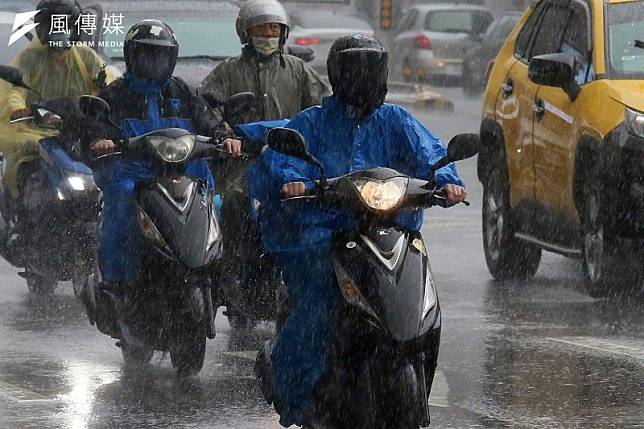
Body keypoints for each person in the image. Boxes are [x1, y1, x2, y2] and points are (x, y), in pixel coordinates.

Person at [249, 34, 467, 427]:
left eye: (371, 70)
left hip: (389, 233)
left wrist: (447, 180)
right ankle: (295, 395)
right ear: (337, 75)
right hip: (322, 236)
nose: (363, 79)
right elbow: (276, 161)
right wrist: (293, 181)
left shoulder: (396, 121)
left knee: (420, 301)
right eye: (355, 70)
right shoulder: (314, 122)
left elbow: (431, 154)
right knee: (319, 302)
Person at [88, 20, 240, 318]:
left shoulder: (180, 91)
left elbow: (206, 120)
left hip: (184, 172)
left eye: (161, 56)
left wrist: (224, 136)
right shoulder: (116, 94)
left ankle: (219, 278)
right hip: (134, 173)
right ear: (132, 56)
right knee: (122, 197)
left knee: (218, 204)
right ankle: (120, 280)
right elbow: (95, 127)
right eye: (147, 55)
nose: (154, 62)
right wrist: (101, 141)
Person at [200, 0, 329, 323]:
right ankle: (230, 273)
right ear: (246, 33)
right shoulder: (228, 71)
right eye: (261, 28)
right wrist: (223, 133)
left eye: (274, 28)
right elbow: (206, 107)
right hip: (243, 164)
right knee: (233, 202)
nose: (267, 34)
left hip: (290, 163)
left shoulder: (299, 71)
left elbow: (325, 110)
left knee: (311, 204)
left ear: (283, 33)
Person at [0, 0, 112, 201]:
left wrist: (107, 94)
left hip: (77, 127)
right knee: (29, 158)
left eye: (65, 26)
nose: (60, 31)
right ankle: (24, 209)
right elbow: (14, 90)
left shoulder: (85, 55)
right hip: (37, 127)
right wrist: (18, 109)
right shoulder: (30, 58)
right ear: (42, 28)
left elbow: (107, 78)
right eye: (54, 26)